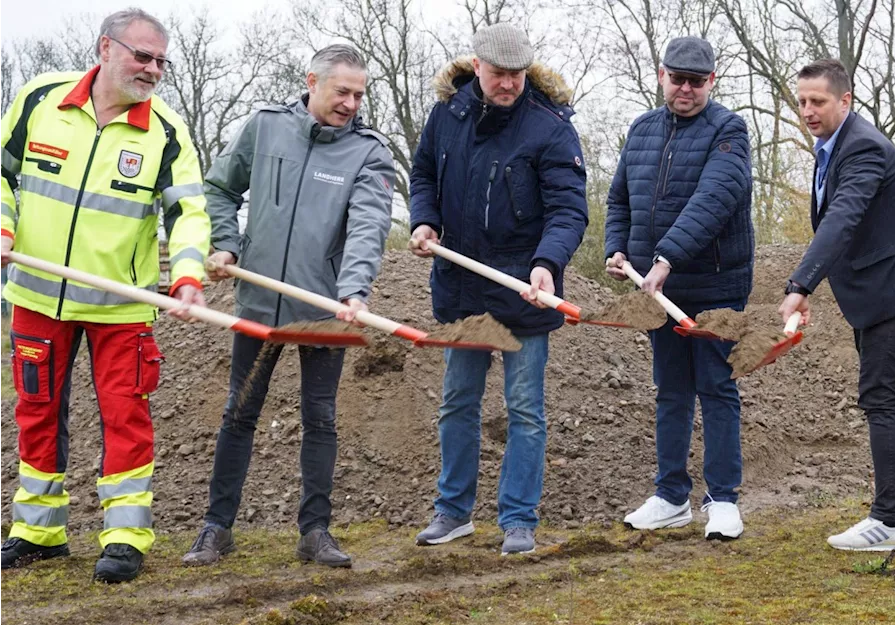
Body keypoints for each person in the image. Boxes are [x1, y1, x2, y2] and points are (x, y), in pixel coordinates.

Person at [0, 8, 210, 582]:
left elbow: (190, 213)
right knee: (36, 412)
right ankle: (39, 532)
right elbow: (0, 174)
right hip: (38, 297)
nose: (153, 69)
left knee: (126, 417)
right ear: (105, 48)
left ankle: (124, 536)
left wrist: (188, 276)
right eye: (143, 55)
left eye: (162, 61)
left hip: (122, 307)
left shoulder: (166, 132)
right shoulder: (38, 100)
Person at [180, 45, 395, 569]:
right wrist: (227, 243)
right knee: (239, 412)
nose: (351, 103)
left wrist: (354, 290)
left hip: (324, 307)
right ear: (312, 81)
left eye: (359, 94)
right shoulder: (266, 126)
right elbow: (219, 188)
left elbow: (368, 226)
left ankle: (315, 531)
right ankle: (216, 528)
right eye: (341, 91)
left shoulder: (369, 152)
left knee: (319, 418)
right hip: (257, 303)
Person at [407, 24, 587, 555]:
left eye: (517, 75)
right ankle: (453, 511)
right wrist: (424, 220)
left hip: (522, 292)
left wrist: (547, 264)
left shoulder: (550, 128)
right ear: (477, 67)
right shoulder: (448, 115)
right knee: (457, 403)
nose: (508, 84)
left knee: (524, 409)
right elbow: (422, 176)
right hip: (461, 290)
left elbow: (568, 210)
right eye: (498, 74)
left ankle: (518, 519)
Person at [777, 59, 895, 552]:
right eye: (802, 101)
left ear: (845, 100)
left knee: (880, 399)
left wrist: (801, 284)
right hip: (877, 288)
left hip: (894, 287)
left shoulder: (863, 147)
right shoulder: (832, 147)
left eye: (818, 101)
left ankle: (886, 521)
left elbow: (842, 219)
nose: (807, 110)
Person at [605, 37, 754, 540]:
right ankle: (670, 496)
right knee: (670, 389)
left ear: (711, 81)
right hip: (655, 288)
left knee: (715, 386)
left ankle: (724, 500)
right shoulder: (642, 129)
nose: (685, 88)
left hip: (716, 283)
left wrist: (667, 256)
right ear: (662, 75)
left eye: (697, 81)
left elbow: (715, 198)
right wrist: (617, 248)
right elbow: (620, 196)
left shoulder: (729, 130)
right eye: (677, 78)